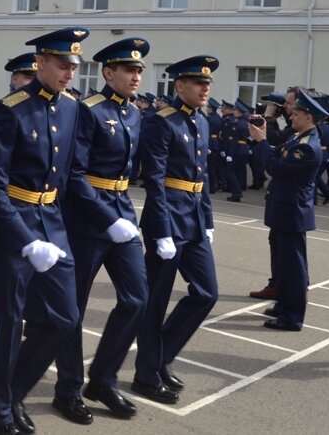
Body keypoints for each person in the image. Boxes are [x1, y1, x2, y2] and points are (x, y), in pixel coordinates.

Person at [0, 27, 87, 433]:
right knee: (7, 326)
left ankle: (11, 393)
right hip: (12, 227)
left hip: (52, 223)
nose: (69, 73)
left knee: (64, 317)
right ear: (40, 62)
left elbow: (71, 172)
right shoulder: (9, 110)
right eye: (62, 65)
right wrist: (24, 239)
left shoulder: (73, 109)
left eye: (73, 66)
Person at [52, 38, 149, 422]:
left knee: (137, 299)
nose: (136, 76)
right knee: (72, 309)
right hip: (88, 219)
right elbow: (73, 174)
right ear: (108, 73)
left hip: (122, 209)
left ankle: (103, 379)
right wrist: (108, 218)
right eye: (129, 70)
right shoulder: (87, 111)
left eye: (139, 70)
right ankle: (69, 388)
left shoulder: (135, 114)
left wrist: (121, 216)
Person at [132, 55, 218, 404]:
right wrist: (163, 229)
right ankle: (146, 374)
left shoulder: (203, 121)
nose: (205, 88)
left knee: (206, 293)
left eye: (207, 83)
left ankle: (160, 355)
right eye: (199, 83)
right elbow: (153, 178)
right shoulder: (161, 122)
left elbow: (203, 175)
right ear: (180, 86)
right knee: (155, 300)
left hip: (194, 217)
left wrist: (208, 219)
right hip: (166, 219)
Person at [248, 89, 326, 331]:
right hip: (285, 208)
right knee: (284, 265)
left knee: (293, 268)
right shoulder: (297, 139)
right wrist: (264, 140)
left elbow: (275, 166)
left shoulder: (307, 146)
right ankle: (283, 305)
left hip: (292, 212)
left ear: (309, 116)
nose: (291, 116)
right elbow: (276, 153)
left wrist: (261, 140)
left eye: (297, 113)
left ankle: (292, 317)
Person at [223, 99, 253, 201]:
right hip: (244, 150)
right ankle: (238, 191)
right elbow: (249, 138)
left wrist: (230, 154)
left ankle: (236, 192)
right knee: (239, 172)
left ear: (239, 112)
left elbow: (234, 141)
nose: (233, 112)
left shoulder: (237, 124)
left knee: (230, 172)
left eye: (235, 110)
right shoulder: (246, 123)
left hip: (237, 151)